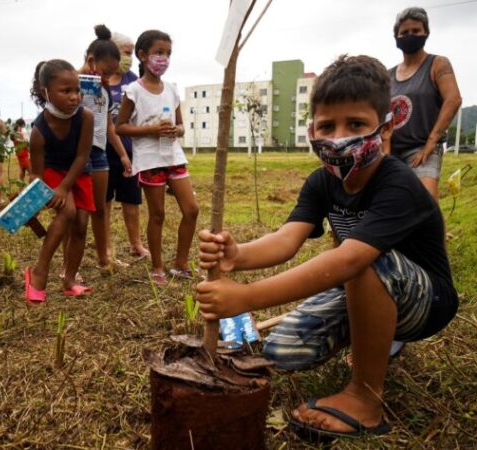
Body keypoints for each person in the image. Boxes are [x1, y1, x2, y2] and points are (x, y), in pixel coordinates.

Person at [196, 55, 458, 440]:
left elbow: (350, 259)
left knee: (362, 261)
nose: (339, 137)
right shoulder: (321, 182)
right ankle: (377, 334)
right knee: (283, 351)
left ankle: (365, 400)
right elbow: (287, 238)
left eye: (355, 124)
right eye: (327, 126)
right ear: (312, 131)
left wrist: (246, 297)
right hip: (367, 286)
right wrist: (239, 255)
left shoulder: (398, 183)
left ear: (383, 129)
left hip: (425, 302)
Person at [116, 29, 199, 285]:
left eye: (168, 54)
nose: (163, 59)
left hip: (174, 156)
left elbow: (182, 125)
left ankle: (181, 264)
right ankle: (157, 267)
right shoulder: (133, 91)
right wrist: (150, 130)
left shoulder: (172, 90)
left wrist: (177, 129)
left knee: (192, 210)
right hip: (150, 160)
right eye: (158, 53)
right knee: (158, 215)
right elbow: (120, 127)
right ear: (142, 55)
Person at [26, 59, 95, 302]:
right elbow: (36, 171)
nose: (74, 97)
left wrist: (66, 187)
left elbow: (82, 155)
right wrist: (42, 193)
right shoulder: (39, 129)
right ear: (46, 92)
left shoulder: (85, 117)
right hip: (52, 172)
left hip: (79, 170)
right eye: (66, 91)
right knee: (67, 213)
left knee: (80, 225)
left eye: (77, 90)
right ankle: (39, 271)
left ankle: (69, 279)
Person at [386, 7, 462, 199]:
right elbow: (382, 114)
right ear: (396, 36)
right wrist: (385, 152)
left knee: (426, 204)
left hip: (421, 149)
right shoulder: (388, 75)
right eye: (404, 32)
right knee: (391, 203)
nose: (410, 35)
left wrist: (431, 143)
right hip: (392, 151)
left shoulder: (437, 64)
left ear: (425, 33)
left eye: (416, 31)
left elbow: (453, 100)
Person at [77, 24, 132, 274]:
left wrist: (122, 154)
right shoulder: (72, 84)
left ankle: (104, 259)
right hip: (76, 154)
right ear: (90, 60)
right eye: (105, 72)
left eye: (111, 75)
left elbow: (109, 126)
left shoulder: (104, 89)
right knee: (77, 214)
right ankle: (71, 266)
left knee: (100, 210)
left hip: (99, 154)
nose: (108, 78)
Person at [105, 31, 149, 260]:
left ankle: (136, 245)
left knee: (131, 199)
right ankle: (106, 248)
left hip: (130, 152)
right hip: (101, 153)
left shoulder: (133, 81)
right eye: (126, 53)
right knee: (104, 202)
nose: (130, 58)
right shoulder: (97, 80)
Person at [11, 118, 31, 183]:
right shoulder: (21, 134)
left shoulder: (14, 135)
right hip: (24, 156)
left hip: (20, 156)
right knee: (32, 174)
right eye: (20, 127)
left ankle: (21, 191)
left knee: (21, 175)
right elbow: (26, 144)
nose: (21, 128)